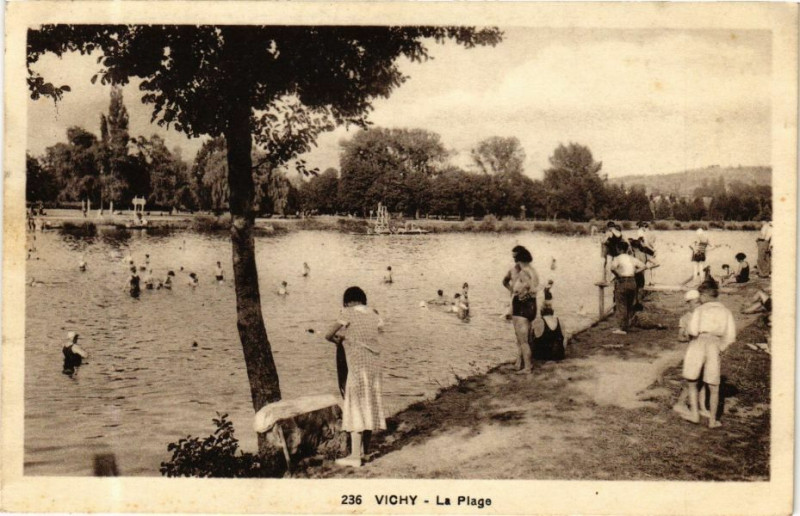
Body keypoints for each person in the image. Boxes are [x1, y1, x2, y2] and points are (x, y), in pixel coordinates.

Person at [324, 286, 386, 468]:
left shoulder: (347, 312)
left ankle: (354, 457)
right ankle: (365, 452)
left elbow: (328, 334)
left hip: (358, 367)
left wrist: (338, 340)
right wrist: (350, 338)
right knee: (369, 404)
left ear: (348, 302)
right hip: (374, 366)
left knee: (355, 406)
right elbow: (373, 333)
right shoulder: (374, 313)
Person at [680, 278, 736, 428]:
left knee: (692, 381)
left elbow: (693, 330)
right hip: (714, 344)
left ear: (704, 295)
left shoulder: (699, 310)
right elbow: (731, 336)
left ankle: (694, 414)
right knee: (713, 385)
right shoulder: (726, 311)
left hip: (698, 343)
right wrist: (720, 347)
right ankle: (712, 420)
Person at [502, 245, 540, 374]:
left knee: (523, 341)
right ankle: (520, 364)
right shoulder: (533, 270)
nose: (514, 261)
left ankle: (527, 367)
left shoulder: (523, 272)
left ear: (519, 259)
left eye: (515, 258)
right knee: (524, 338)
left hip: (521, 306)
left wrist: (519, 293)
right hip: (532, 305)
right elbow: (535, 289)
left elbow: (529, 287)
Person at [673, 290, 708, 418]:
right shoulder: (685, 318)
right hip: (694, 351)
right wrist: (689, 336)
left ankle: (702, 407)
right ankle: (680, 403)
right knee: (692, 379)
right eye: (696, 303)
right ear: (689, 304)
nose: (699, 305)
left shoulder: (705, 316)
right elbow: (680, 337)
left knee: (704, 379)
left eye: (700, 302)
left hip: (706, 350)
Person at [609, 240, 646, 335]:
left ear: (618, 249)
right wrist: (635, 272)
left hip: (622, 281)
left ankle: (621, 328)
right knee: (629, 304)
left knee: (621, 304)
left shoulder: (617, 258)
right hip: (632, 281)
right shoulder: (631, 258)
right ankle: (626, 325)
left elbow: (612, 268)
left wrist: (618, 274)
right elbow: (644, 266)